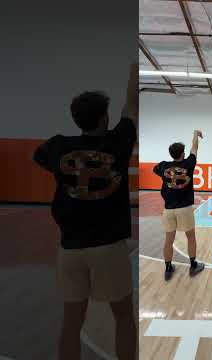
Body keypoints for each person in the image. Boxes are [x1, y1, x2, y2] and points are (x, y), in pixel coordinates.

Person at [33, 64, 139, 360]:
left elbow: (38, 157)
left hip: (70, 250)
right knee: (123, 318)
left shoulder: (58, 146)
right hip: (109, 249)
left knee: (71, 322)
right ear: (105, 118)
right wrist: (133, 69)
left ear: (76, 119)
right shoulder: (119, 141)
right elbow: (131, 105)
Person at [153, 130, 206, 281]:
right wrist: (195, 134)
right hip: (184, 209)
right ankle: (193, 265)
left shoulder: (163, 166)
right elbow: (194, 148)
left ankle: (168, 268)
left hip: (168, 209)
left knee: (168, 240)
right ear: (182, 153)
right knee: (191, 237)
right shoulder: (189, 163)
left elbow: (154, 169)